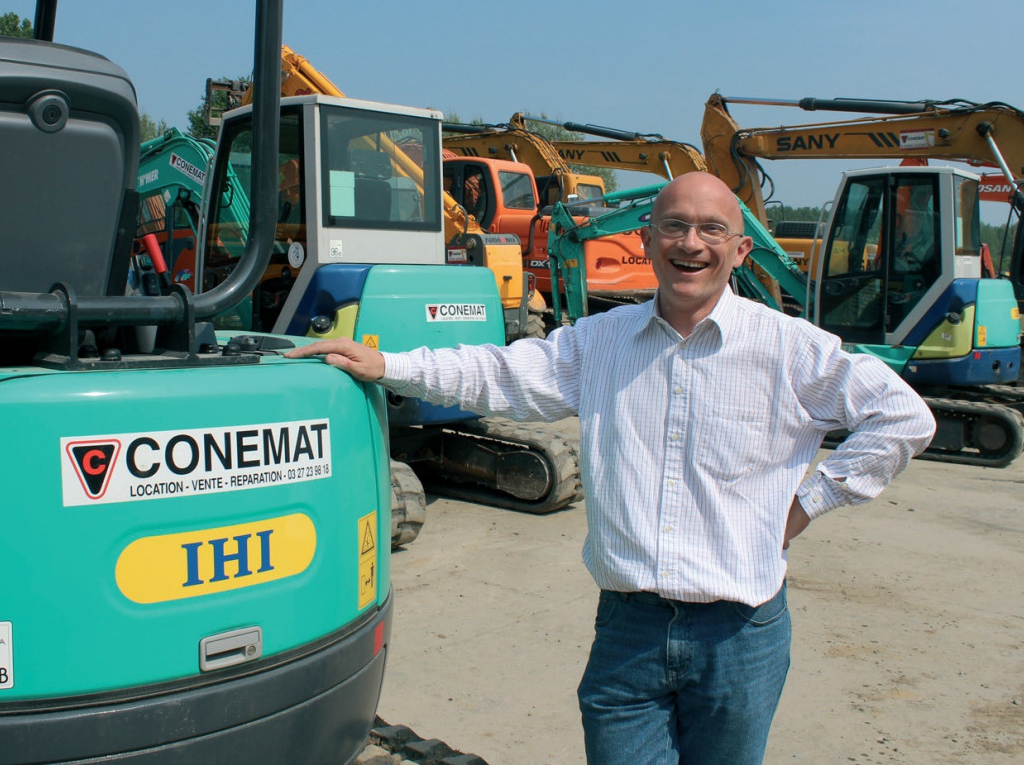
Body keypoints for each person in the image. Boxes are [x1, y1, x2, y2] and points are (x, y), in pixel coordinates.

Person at [286, 172, 935, 765]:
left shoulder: (789, 349)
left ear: (741, 251)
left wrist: (808, 504)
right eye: (675, 226)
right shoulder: (600, 342)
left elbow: (904, 417)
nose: (691, 243)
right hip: (630, 632)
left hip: (739, 636)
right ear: (647, 241)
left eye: (712, 229)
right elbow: (499, 374)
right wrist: (389, 363)